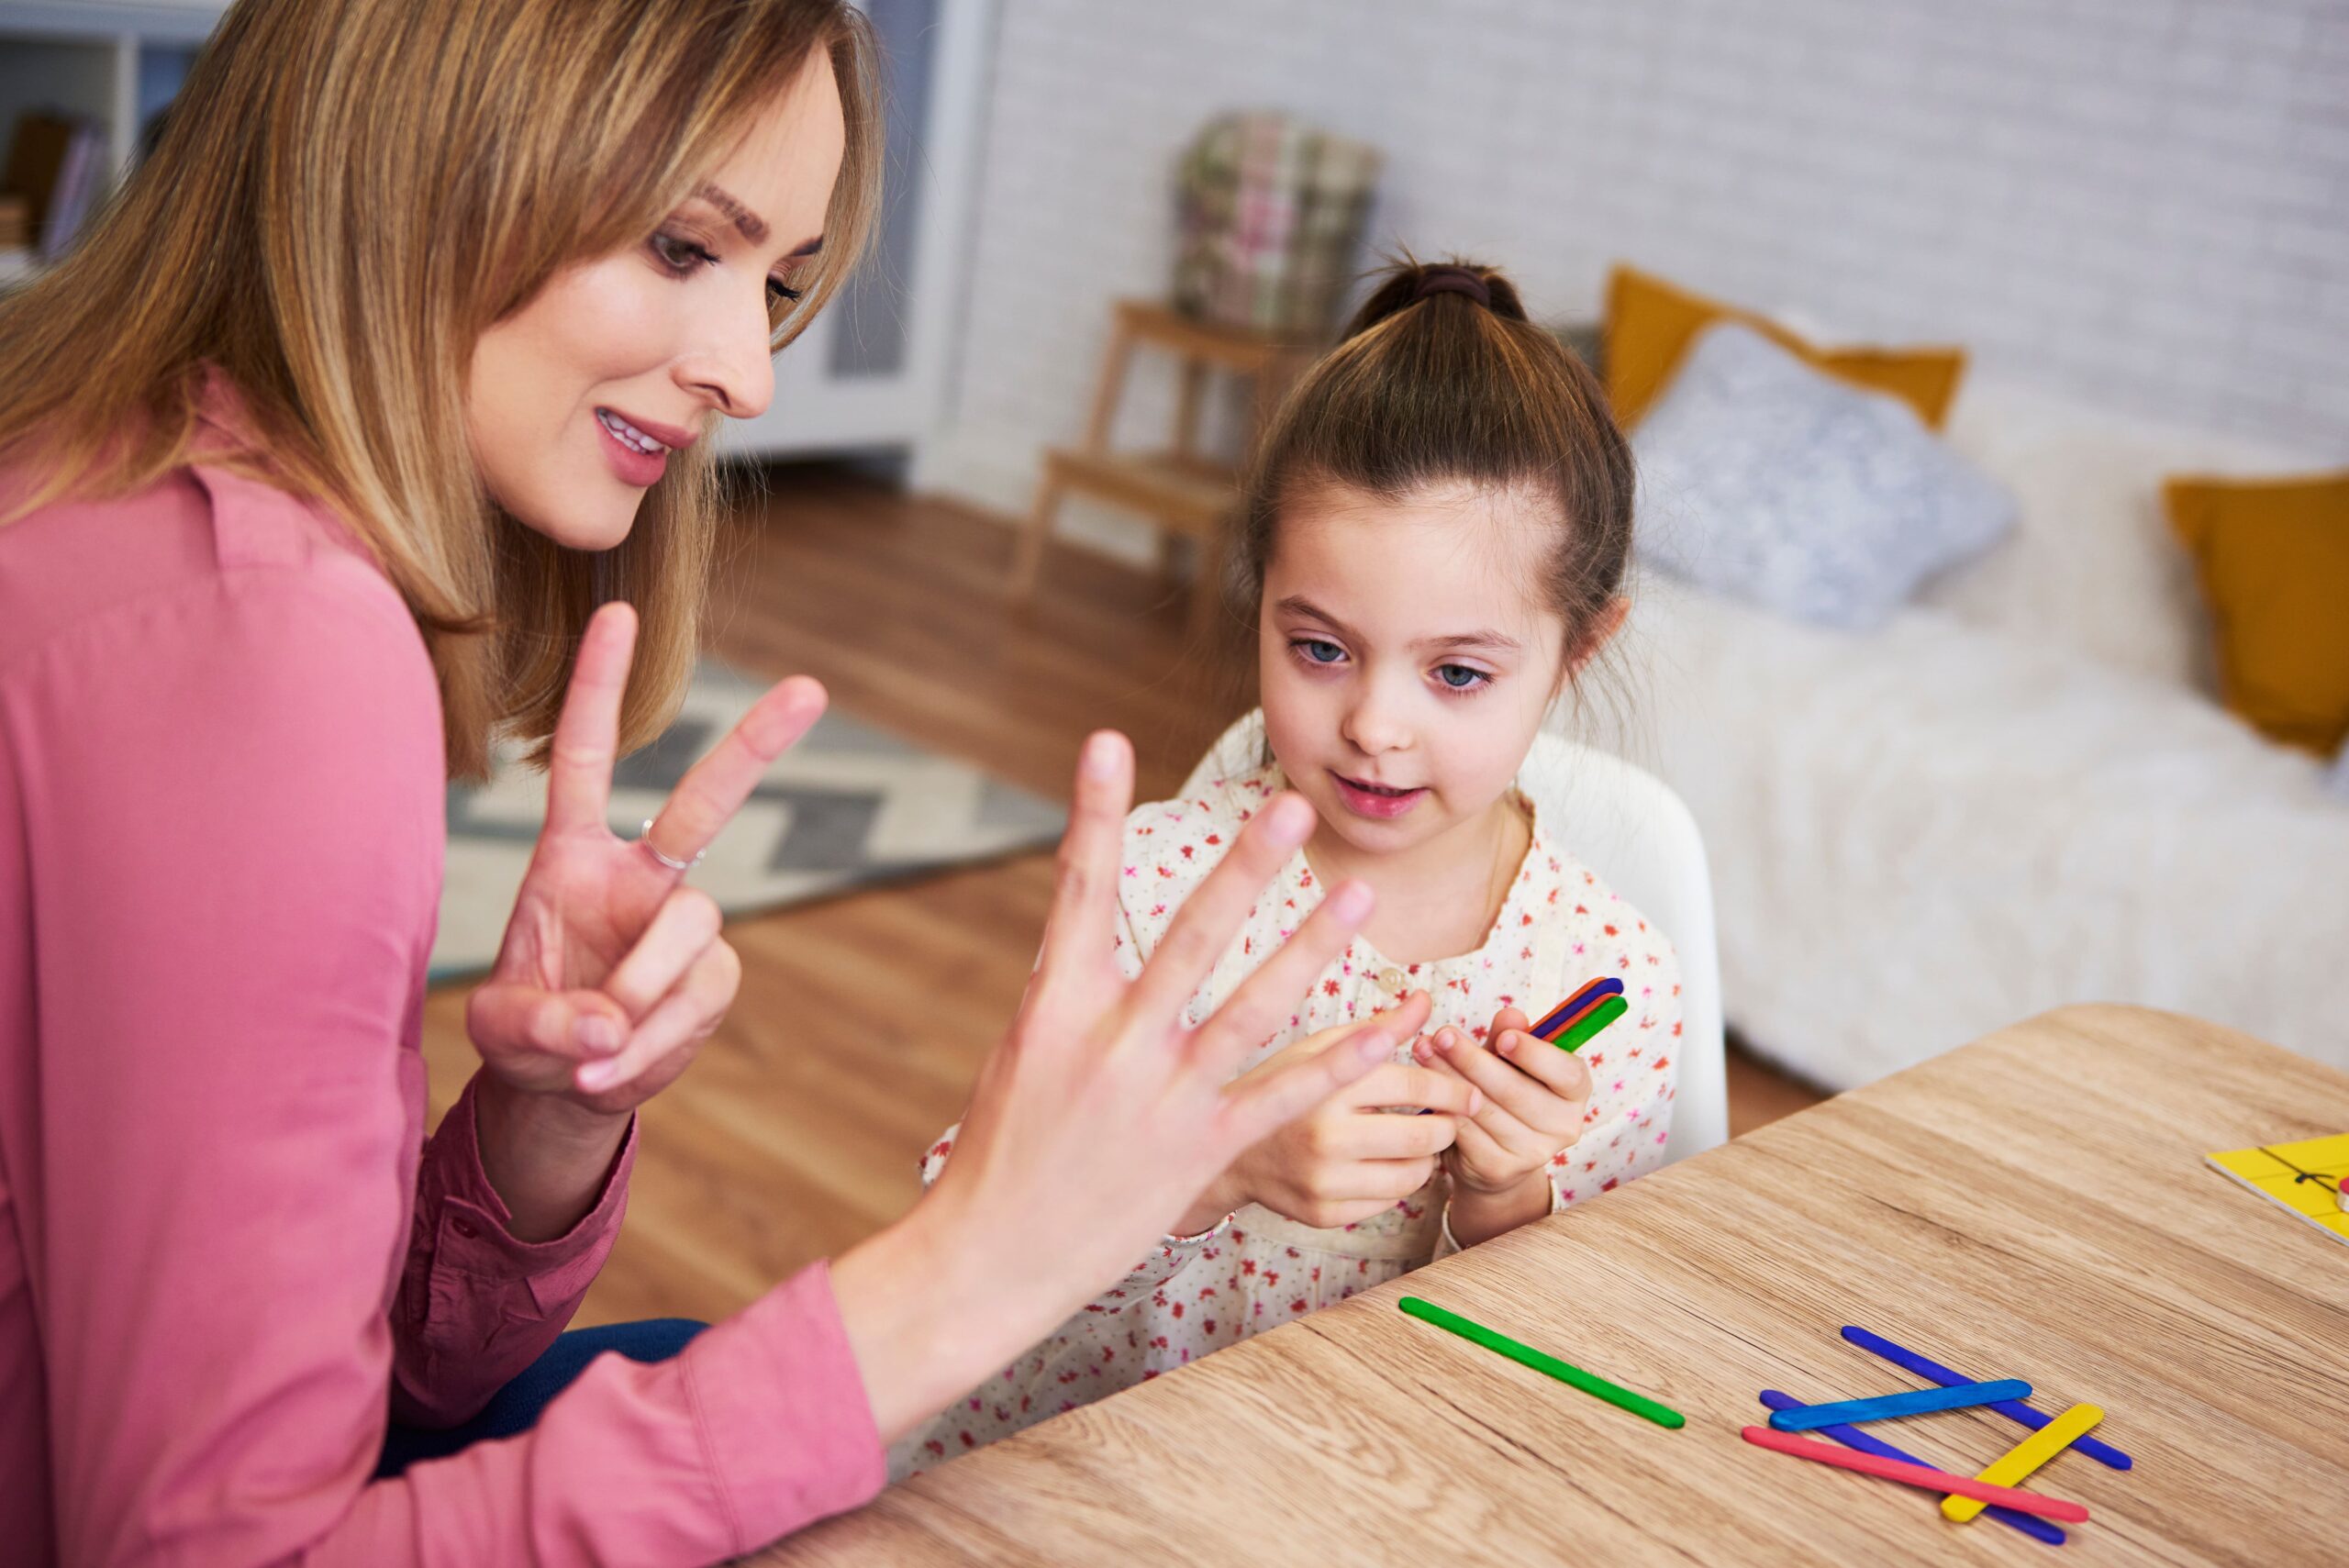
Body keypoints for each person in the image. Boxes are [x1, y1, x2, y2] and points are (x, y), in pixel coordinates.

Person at [0, 2, 1418, 1562]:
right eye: (685, 246)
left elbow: (357, 1374)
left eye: (778, 282)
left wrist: (541, 1124)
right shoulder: (266, 645)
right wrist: (966, 1273)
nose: (749, 372)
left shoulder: (94, 451)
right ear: (428, 147)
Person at [896, 258, 1684, 1474]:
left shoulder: (1612, 977)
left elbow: (1550, 1384)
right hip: (1069, 1473)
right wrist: (1229, 1159)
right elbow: (963, 1223)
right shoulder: (1164, 888)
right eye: (1319, 647)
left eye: (1457, 674)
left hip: (1367, 1490)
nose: (1375, 722)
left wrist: (1503, 1204)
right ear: (1261, 596)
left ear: (1579, 650)